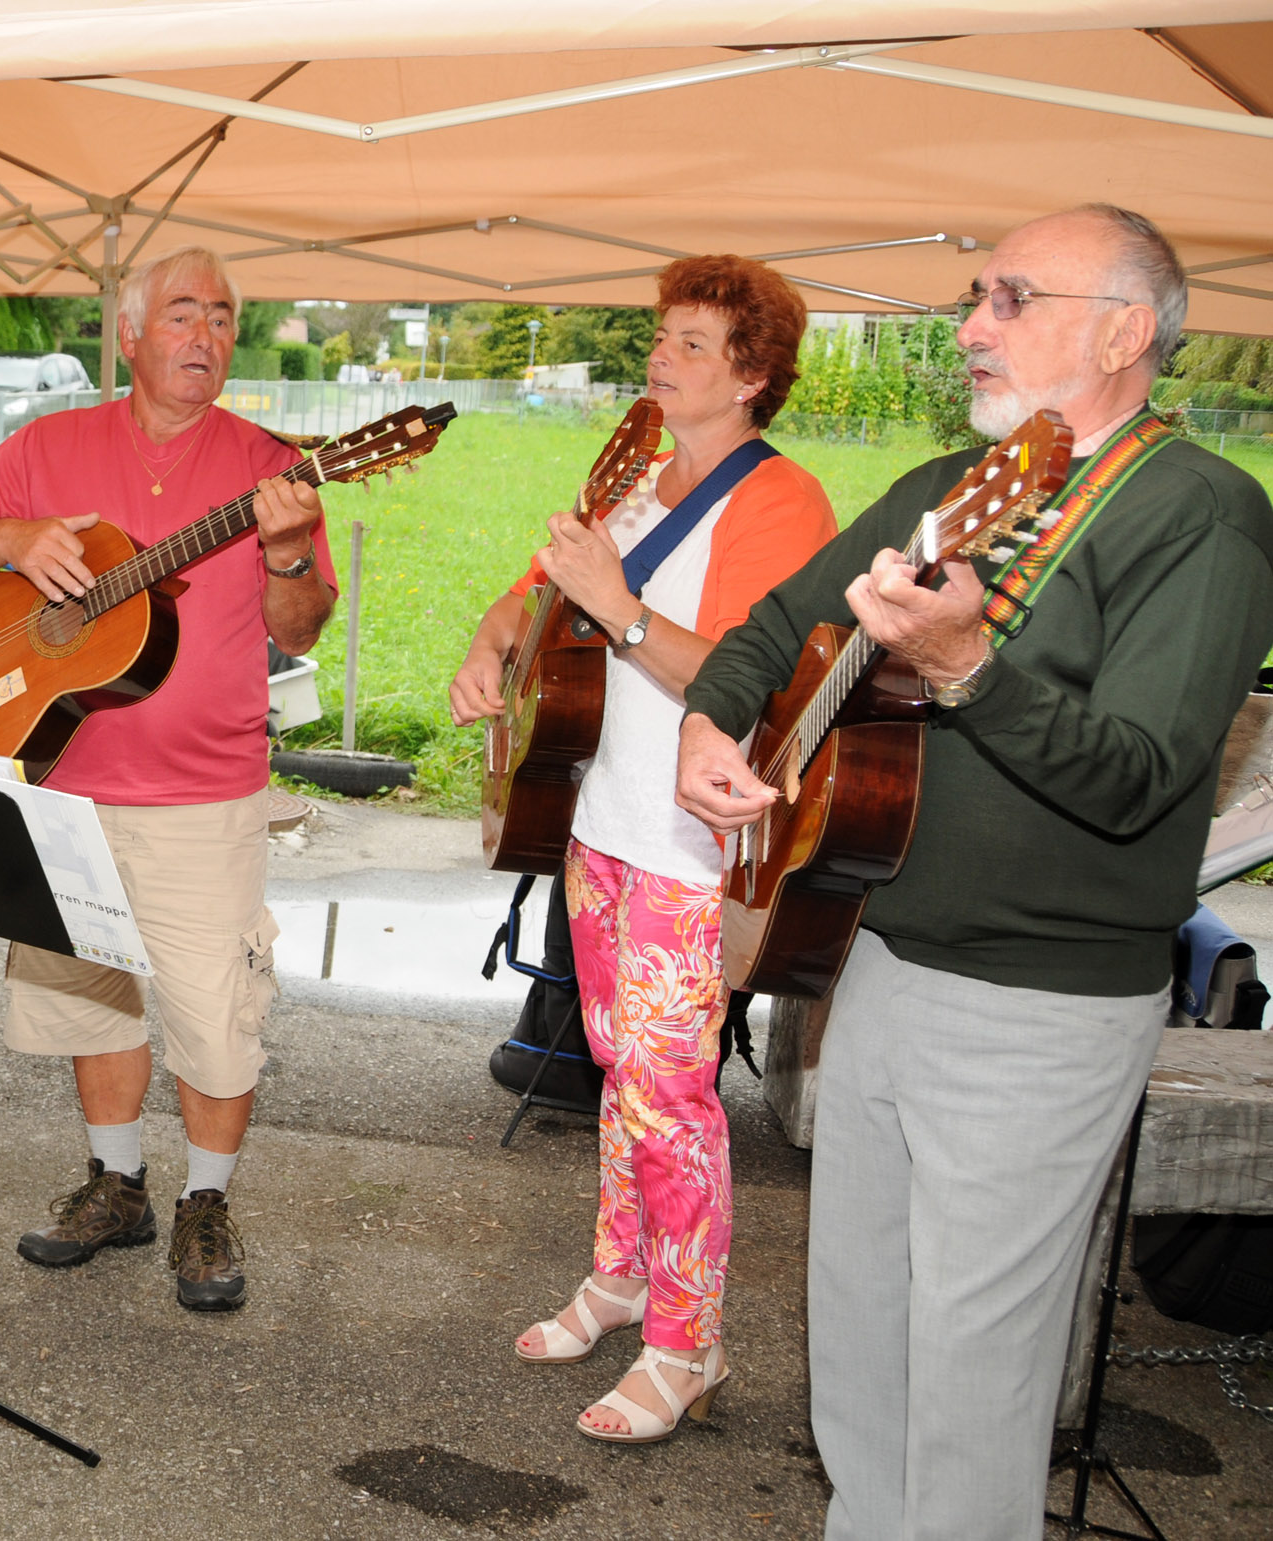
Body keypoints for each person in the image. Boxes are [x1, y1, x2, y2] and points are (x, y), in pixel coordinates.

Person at [677, 205, 1273, 1537]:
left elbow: (1136, 777)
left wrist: (963, 665)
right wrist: (711, 721)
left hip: (1043, 1006)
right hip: (880, 961)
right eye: (974, 297)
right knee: (861, 1338)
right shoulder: (951, 485)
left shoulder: (1201, 514)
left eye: (1011, 298)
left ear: (1122, 333)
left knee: (971, 1377)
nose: (968, 328)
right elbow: (777, 626)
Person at [447, 256, 836, 1442]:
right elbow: (530, 598)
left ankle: (688, 1338)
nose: (661, 357)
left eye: (693, 344)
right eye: (663, 335)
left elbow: (748, 678)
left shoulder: (783, 503)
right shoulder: (629, 474)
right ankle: (621, 1274)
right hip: (601, 824)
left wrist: (616, 605)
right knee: (622, 1074)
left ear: (754, 376)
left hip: (690, 845)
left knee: (673, 1100)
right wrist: (489, 643)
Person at [0, 244, 335, 1313]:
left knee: (216, 1011)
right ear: (129, 333)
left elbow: (301, 628)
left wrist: (290, 551)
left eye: (223, 316)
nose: (207, 334)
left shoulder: (270, 466)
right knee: (86, 996)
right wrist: (11, 537)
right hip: (62, 780)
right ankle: (117, 1184)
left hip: (205, 792)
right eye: (183, 313)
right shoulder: (46, 446)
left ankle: (206, 1201)